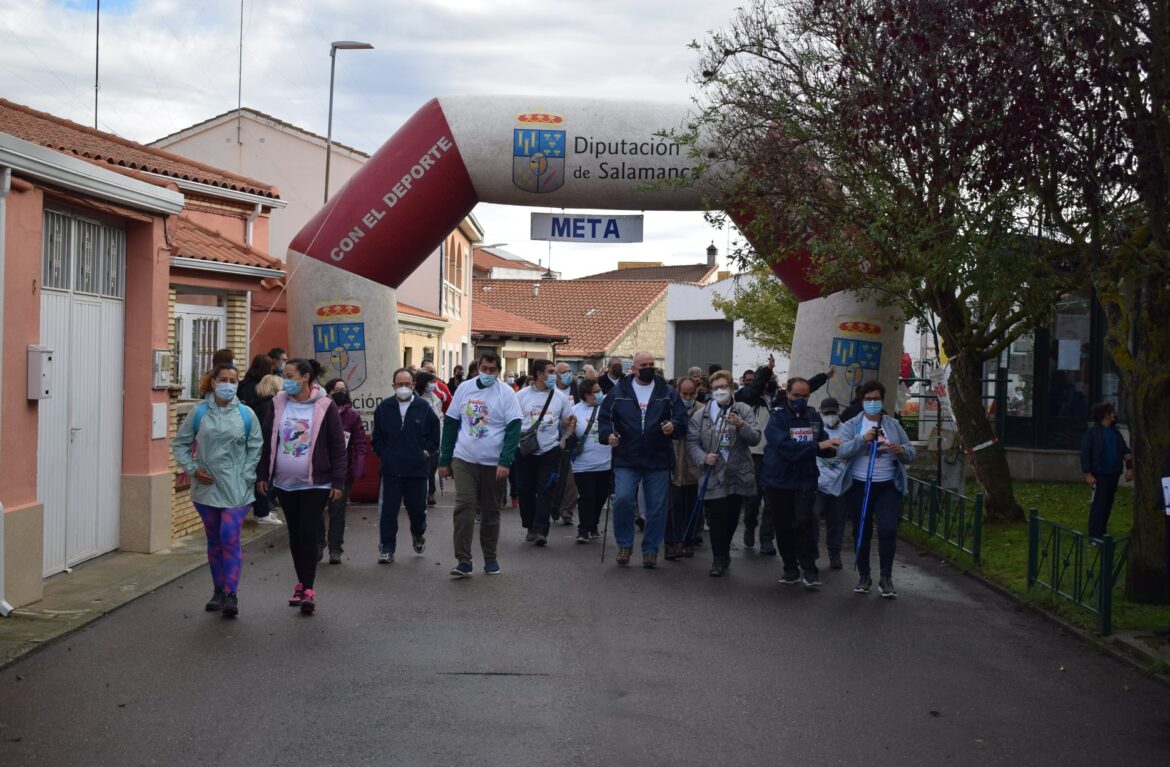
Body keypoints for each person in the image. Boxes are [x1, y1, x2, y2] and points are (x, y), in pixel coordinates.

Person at [256, 358, 348, 615]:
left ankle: (308, 588)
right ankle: (301, 583)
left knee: (308, 532)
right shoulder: (278, 403)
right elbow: (267, 441)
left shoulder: (324, 405)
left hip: (316, 482)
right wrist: (263, 474)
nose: (285, 380)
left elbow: (337, 446)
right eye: (283, 375)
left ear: (305, 377)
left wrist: (338, 481)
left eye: (289, 375)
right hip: (285, 483)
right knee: (295, 535)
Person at [172, 362, 262, 618]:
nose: (228, 385)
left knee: (229, 535)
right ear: (213, 382)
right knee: (213, 539)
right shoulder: (199, 413)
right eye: (223, 379)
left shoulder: (246, 414)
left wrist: (246, 476)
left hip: (236, 488)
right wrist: (192, 469)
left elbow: (256, 447)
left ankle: (232, 593)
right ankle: (218, 590)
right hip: (206, 487)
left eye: (233, 380)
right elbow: (180, 444)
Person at [597, 351, 689, 568]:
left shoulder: (666, 392)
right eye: (643, 365)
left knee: (657, 507)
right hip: (627, 457)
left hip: (657, 458)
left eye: (651, 364)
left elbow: (681, 418)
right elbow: (604, 419)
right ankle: (624, 545)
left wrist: (673, 426)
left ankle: (650, 549)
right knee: (622, 500)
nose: (648, 368)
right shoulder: (618, 392)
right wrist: (607, 435)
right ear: (633, 369)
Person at [438, 351, 523, 576]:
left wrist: (505, 460)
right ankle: (463, 561)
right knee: (464, 506)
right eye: (484, 369)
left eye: (492, 371)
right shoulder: (465, 389)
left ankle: (490, 558)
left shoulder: (506, 394)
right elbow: (451, 423)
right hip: (465, 458)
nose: (487, 374)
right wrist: (444, 459)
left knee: (490, 511)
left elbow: (514, 429)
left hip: (494, 463)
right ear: (478, 367)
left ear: (499, 372)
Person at [836, 380, 918, 598]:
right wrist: (862, 439)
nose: (872, 403)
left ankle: (886, 578)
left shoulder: (893, 425)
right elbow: (842, 451)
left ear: (882, 401)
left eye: (876, 399)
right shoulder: (852, 424)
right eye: (868, 399)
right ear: (862, 401)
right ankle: (864, 575)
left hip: (888, 485)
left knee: (888, 530)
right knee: (861, 530)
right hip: (859, 485)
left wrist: (900, 450)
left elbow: (911, 452)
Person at [761, 376, 843, 589]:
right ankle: (790, 568)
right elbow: (785, 446)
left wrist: (834, 447)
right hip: (779, 479)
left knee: (804, 523)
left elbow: (823, 445)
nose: (800, 399)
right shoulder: (777, 417)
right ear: (787, 393)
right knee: (783, 526)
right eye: (796, 395)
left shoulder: (813, 417)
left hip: (805, 479)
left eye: (805, 396)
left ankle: (809, 569)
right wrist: (817, 446)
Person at [686, 371, 760, 576]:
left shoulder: (743, 410)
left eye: (724, 387)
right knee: (717, 516)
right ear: (710, 391)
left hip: (737, 472)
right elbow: (692, 443)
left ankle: (724, 548)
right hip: (713, 473)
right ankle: (718, 558)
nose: (720, 391)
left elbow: (755, 438)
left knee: (732, 516)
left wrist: (740, 425)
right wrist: (703, 457)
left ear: (732, 388)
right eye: (716, 387)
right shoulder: (701, 416)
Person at [373, 368, 441, 564]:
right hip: (391, 470)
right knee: (388, 511)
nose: (403, 388)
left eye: (407, 384)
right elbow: (377, 438)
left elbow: (435, 435)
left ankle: (418, 533)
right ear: (393, 385)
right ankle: (387, 548)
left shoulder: (424, 407)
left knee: (418, 510)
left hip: (417, 470)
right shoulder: (384, 408)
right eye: (399, 384)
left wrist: (426, 452)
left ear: (413, 385)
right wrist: (385, 454)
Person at [513, 359, 575, 546]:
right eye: (551, 372)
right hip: (524, 451)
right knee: (525, 490)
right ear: (539, 374)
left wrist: (562, 440)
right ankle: (530, 525)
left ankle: (541, 530)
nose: (555, 376)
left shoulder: (560, 398)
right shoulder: (521, 396)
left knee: (545, 489)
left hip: (549, 451)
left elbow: (570, 422)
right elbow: (513, 422)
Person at [319, 377, 368, 564]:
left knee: (337, 511)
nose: (340, 392)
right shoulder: (319, 412)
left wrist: (359, 467)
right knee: (316, 512)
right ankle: (318, 542)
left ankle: (335, 549)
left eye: (343, 389)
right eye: (336, 389)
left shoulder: (352, 416)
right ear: (328, 392)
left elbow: (361, 444)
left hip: (342, 472)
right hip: (319, 471)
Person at [736, 356, 778, 555]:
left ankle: (766, 538)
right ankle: (750, 526)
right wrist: (766, 369)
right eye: (751, 381)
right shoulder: (745, 397)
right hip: (754, 454)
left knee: (771, 499)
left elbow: (804, 389)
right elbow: (755, 388)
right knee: (753, 498)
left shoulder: (777, 399)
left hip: (773, 456)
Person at [1080, 401, 1133, 539]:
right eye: (1112, 412)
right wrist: (1088, 473)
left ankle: (1102, 531)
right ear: (1105, 415)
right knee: (1099, 505)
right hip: (1099, 474)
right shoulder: (1092, 433)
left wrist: (1130, 468)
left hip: (1113, 473)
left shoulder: (1115, 433)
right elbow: (1085, 453)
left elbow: (1125, 451)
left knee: (1108, 503)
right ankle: (1094, 535)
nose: (1115, 414)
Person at [569, 378, 611, 543]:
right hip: (583, 464)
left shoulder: (608, 409)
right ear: (587, 395)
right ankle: (583, 529)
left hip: (605, 462)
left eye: (600, 390)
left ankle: (593, 524)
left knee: (600, 496)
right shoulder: (574, 410)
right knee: (587, 497)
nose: (600, 393)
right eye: (596, 391)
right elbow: (568, 437)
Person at [667, 377, 704, 559]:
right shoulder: (670, 409)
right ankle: (672, 543)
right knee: (673, 506)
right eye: (684, 394)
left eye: (691, 394)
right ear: (678, 393)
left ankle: (689, 541)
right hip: (673, 466)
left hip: (694, 468)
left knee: (692, 506)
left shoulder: (703, 411)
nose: (688, 397)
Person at [813, 398, 851, 569]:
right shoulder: (816, 429)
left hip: (839, 484)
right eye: (826, 413)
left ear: (838, 412)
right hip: (817, 483)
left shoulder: (848, 431)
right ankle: (811, 551)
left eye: (832, 413)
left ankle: (834, 553)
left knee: (836, 521)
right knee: (811, 517)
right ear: (821, 412)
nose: (829, 416)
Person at [246, 373, 285, 526]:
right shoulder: (270, 406)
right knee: (264, 481)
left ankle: (264, 510)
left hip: (260, 447)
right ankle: (262, 512)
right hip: (265, 448)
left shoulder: (258, 403)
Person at [552, 360, 580, 525]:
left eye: (570, 371)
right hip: (552, 440)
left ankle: (567, 511)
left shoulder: (577, 390)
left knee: (570, 479)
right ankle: (553, 507)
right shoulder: (551, 391)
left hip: (571, 440)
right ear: (557, 375)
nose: (568, 374)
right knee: (554, 477)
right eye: (564, 371)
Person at [416, 371, 446, 505]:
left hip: (437, 438)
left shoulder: (435, 398)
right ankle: (426, 493)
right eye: (430, 382)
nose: (433, 385)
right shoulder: (417, 399)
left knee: (433, 468)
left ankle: (431, 492)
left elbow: (440, 416)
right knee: (425, 468)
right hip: (423, 440)